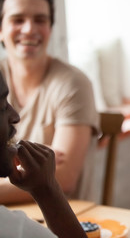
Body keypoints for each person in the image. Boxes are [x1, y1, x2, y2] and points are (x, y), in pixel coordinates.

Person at [0, 0, 99, 204]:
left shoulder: (73, 83)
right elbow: (41, 176)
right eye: (18, 19)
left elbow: (62, 178)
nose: (29, 29)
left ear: (50, 28)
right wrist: (31, 161)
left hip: (66, 222)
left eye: (40, 20)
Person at [0, 74, 86, 237]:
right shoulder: (16, 229)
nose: (15, 117)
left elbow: (66, 176)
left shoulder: (72, 83)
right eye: (3, 107)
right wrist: (47, 190)